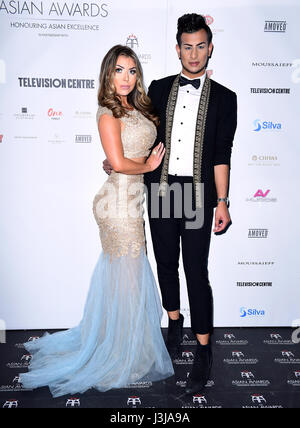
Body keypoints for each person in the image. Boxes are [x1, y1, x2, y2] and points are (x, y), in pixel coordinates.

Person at [19, 45, 174, 398]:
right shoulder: (107, 112)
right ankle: (120, 353)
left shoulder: (140, 106)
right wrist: (146, 166)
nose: (126, 78)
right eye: (119, 70)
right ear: (108, 73)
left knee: (129, 275)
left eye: (132, 71)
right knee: (129, 275)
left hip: (134, 198)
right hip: (117, 201)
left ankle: (125, 345)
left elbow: (123, 156)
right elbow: (118, 162)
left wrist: (135, 164)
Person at [144, 13, 237, 394]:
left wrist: (224, 201)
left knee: (196, 271)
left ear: (210, 47)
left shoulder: (226, 98)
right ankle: (174, 322)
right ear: (177, 48)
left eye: (201, 46)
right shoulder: (159, 87)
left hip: (199, 193)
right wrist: (118, 161)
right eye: (187, 46)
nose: (194, 54)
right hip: (162, 189)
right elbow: (143, 137)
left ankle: (203, 349)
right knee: (165, 262)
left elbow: (221, 153)